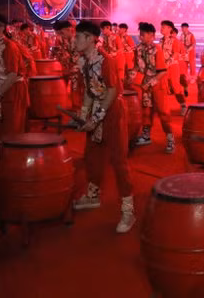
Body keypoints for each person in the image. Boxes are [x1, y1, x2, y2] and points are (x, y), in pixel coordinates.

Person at [70, 21, 135, 233]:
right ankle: (93, 195)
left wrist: (95, 118)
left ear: (90, 39)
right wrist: (82, 116)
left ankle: (128, 209)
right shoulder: (85, 61)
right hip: (97, 112)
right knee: (92, 155)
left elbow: (113, 91)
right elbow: (89, 91)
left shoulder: (106, 60)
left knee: (118, 160)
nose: (75, 40)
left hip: (112, 113)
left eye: (79, 37)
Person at [133, 23, 175, 153]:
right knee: (146, 110)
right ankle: (146, 135)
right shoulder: (138, 49)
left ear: (151, 35)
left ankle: (170, 138)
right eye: (140, 33)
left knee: (163, 112)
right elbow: (136, 67)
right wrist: (132, 76)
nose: (140, 36)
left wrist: (151, 82)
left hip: (158, 85)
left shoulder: (157, 49)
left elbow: (162, 71)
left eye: (143, 34)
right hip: (145, 85)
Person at [160, 20, 187, 116]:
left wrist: (167, 63)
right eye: (161, 27)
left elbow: (175, 54)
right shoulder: (161, 40)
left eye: (163, 27)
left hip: (173, 66)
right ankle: (164, 108)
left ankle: (183, 105)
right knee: (163, 87)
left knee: (175, 87)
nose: (161, 29)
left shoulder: (175, 41)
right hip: (163, 67)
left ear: (169, 29)